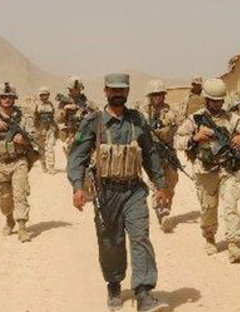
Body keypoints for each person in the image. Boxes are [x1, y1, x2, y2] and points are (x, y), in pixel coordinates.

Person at [67, 73, 167, 311]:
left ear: (128, 91)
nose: (118, 94)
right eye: (113, 90)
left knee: (140, 237)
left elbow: (151, 154)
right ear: (105, 91)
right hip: (105, 194)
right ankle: (114, 284)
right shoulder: (94, 121)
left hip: (134, 191)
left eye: (122, 90)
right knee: (110, 242)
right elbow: (77, 156)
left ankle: (143, 293)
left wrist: (161, 185)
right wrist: (77, 187)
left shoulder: (137, 120)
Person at [175, 78, 240, 263]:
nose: (217, 104)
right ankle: (209, 237)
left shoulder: (231, 118)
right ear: (206, 100)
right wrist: (195, 138)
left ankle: (234, 244)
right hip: (205, 170)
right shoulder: (195, 119)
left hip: (228, 170)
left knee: (231, 206)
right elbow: (177, 140)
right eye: (213, 101)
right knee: (208, 209)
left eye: (220, 101)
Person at [0, 82, 38, 243]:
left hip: (19, 161)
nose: (7, 100)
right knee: (6, 199)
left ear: (14, 99)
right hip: (1, 163)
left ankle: (22, 227)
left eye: (10, 97)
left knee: (20, 194)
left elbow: (35, 138)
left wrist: (24, 140)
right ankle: (9, 219)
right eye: (3, 97)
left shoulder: (23, 117)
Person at [139, 79, 179, 232]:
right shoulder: (144, 113)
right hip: (151, 153)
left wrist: (165, 131)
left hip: (167, 152)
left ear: (163, 95)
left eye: (159, 95)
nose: (157, 98)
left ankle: (165, 207)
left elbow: (176, 129)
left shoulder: (170, 112)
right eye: (154, 95)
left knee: (172, 180)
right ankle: (162, 213)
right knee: (156, 183)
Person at [55, 75, 96, 155]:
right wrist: (64, 110)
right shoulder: (64, 102)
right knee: (72, 151)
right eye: (73, 89)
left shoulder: (85, 101)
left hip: (81, 131)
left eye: (77, 89)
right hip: (69, 131)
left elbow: (95, 111)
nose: (75, 91)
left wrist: (79, 108)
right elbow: (58, 119)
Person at [33, 86, 57, 174]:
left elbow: (53, 116)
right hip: (40, 129)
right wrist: (37, 129)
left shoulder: (50, 104)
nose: (44, 97)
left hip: (50, 128)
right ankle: (43, 165)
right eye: (42, 95)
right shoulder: (36, 105)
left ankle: (51, 167)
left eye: (46, 95)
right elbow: (34, 118)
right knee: (41, 149)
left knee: (50, 148)